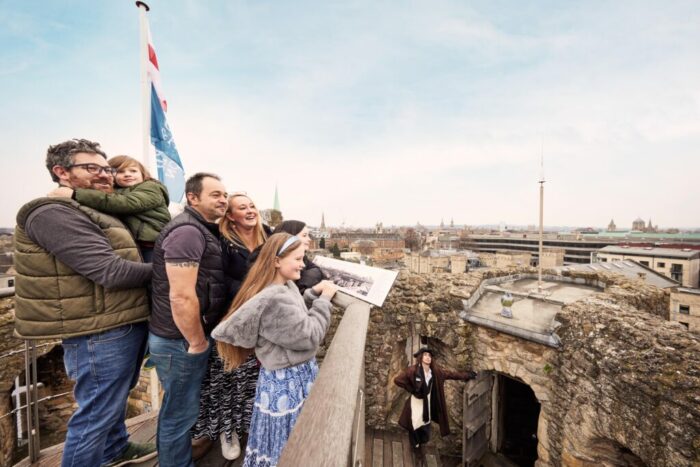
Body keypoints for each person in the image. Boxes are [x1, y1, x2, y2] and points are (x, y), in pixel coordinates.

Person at [13, 139, 156, 467]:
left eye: (107, 168)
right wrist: (173, 270)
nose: (105, 174)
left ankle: (114, 449)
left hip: (117, 319)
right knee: (96, 414)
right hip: (98, 330)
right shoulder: (52, 213)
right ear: (61, 172)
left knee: (112, 401)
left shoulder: (91, 209)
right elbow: (110, 271)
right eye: (92, 167)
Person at [212, 233, 338, 467]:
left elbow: (293, 315)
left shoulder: (283, 286)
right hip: (288, 380)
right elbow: (309, 336)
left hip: (286, 376)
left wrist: (312, 294)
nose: (303, 264)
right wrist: (324, 300)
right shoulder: (274, 299)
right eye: (298, 259)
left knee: (289, 435)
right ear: (277, 261)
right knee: (289, 439)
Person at [147, 172, 229, 467]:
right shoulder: (188, 232)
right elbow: (181, 296)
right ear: (192, 198)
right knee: (179, 414)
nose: (223, 200)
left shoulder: (200, 229)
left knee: (178, 410)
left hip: (178, 338)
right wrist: (196, 341)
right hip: (179, 340)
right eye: (215, 194)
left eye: (225, 194)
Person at [192, 192, 271, 460]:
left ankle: (248, 426)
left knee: (251, 379)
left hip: (260, 321)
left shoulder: (268, 235)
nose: (250, 211)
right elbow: (219, 280)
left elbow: (299, 263)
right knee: (228, 377)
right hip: (231, 318)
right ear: (230, 216)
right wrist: (253, 291)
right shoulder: (222, 242)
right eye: (242, 207)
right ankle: (228, 431)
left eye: (252, 205)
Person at [49, 155, 171, 262]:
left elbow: (125, 203)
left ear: (143, 174)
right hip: (133, 244)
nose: (127, 174)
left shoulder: (151, 188)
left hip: (153, 244)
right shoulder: (115, 191)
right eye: (120, 171)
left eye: (133, 171)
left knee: (154, 274)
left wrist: (76, 194)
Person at [394, 347, 477, 467]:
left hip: (428, 402)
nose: (428, 357)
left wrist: (467, 375)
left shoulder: (435, 372)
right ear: (421, 357)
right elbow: (398, 380)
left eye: (429, 356)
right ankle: (416, 447)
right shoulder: (413, 370)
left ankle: (421, 442)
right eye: (425, 355)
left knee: (425, 424)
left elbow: (451, 374)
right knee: (415, 424)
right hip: (416, 402)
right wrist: (412, 390)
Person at [273, 220, 325, 294]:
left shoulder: (303, 258)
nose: (309, 239)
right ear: (289, 236)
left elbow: (316, 269)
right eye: (304, 235)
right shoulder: (275, 290)